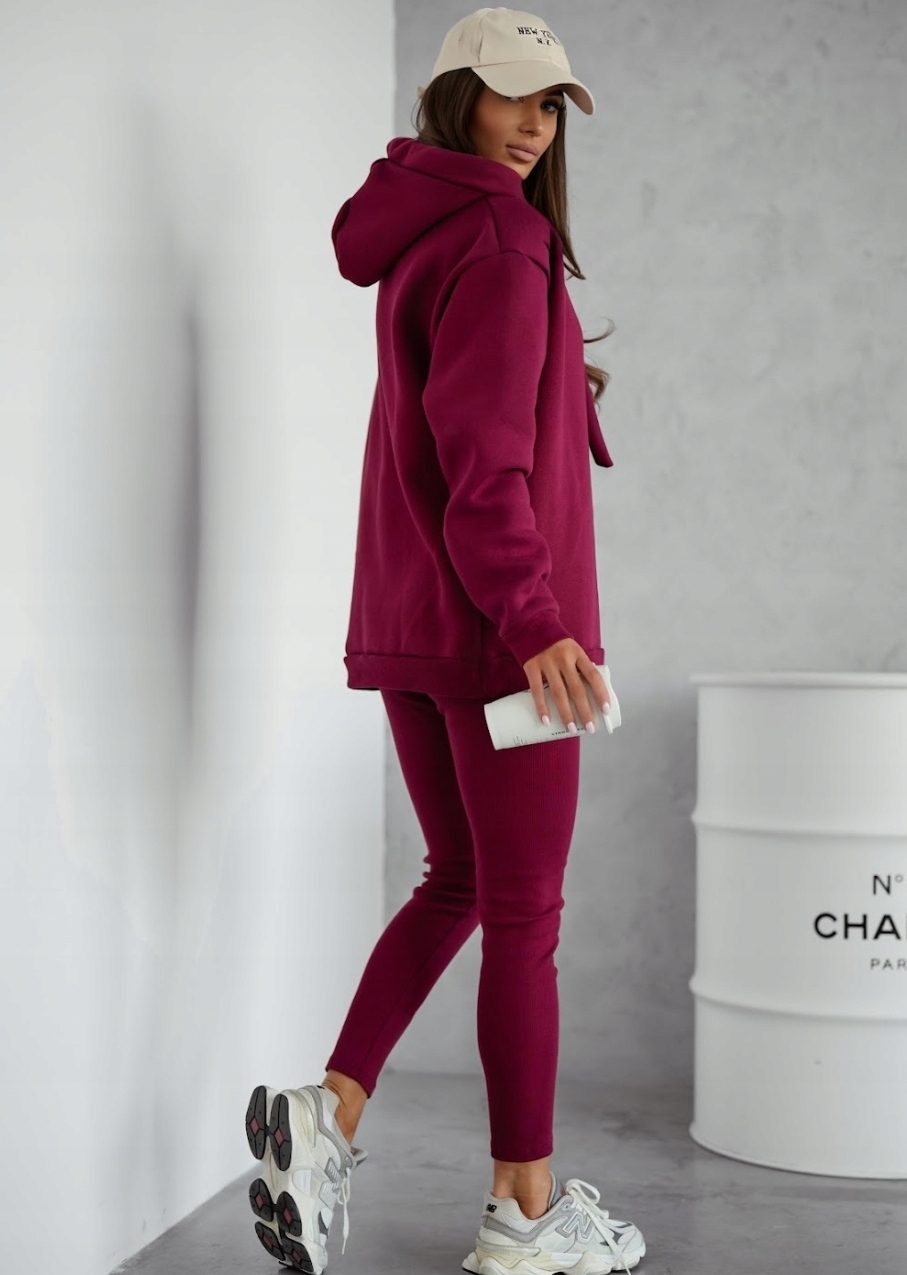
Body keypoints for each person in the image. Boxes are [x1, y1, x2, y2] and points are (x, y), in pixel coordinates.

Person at [244, 8, 646, 1274]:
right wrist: (538, 624)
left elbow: (452, 437)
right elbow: (484, 470)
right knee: (524, 915)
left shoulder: (424, 230)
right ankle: (524, 1213)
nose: (532, 125)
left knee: (461, 881)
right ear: (453, 96)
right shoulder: (502, 239)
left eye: (550, 104)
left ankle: (327, 1116)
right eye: (511, 95)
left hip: (413, 625)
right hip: (495, 635)